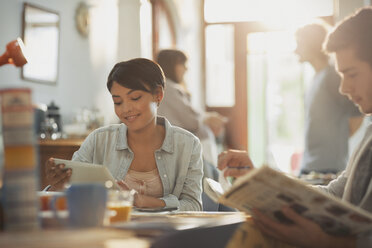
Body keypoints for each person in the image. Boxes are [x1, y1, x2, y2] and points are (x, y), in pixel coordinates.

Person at [218, 7, 372, 247]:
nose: (344, 88)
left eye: (351, 74)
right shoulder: (370, 137)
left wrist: (327, 242)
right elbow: (333, 196)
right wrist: (262, 181)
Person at [45, 58, 203, 211]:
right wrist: (58, 188)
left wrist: (149, 202)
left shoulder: (188, 145)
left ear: (158, 95)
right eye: (117, 102)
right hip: (109, 233)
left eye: (135, 98)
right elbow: (72, 199)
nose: (126, 109)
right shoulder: (98, 140)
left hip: (167, 236)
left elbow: (194, 206)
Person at [294, 22, 362, 175]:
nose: (296, 50)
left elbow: (357, 114)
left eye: (299, 44)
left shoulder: (332, 76)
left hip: (328, 169)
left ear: (311, 44)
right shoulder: (315, 78)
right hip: (310, 165)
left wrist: (337, 139)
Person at [156, 49, 227, 167]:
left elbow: (191, 115)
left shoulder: (173, 88)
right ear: (171, 65)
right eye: (182, 64)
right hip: (181, 149)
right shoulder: (168, 89)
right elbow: (191, 120)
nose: (186, 69)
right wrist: (207, 119)